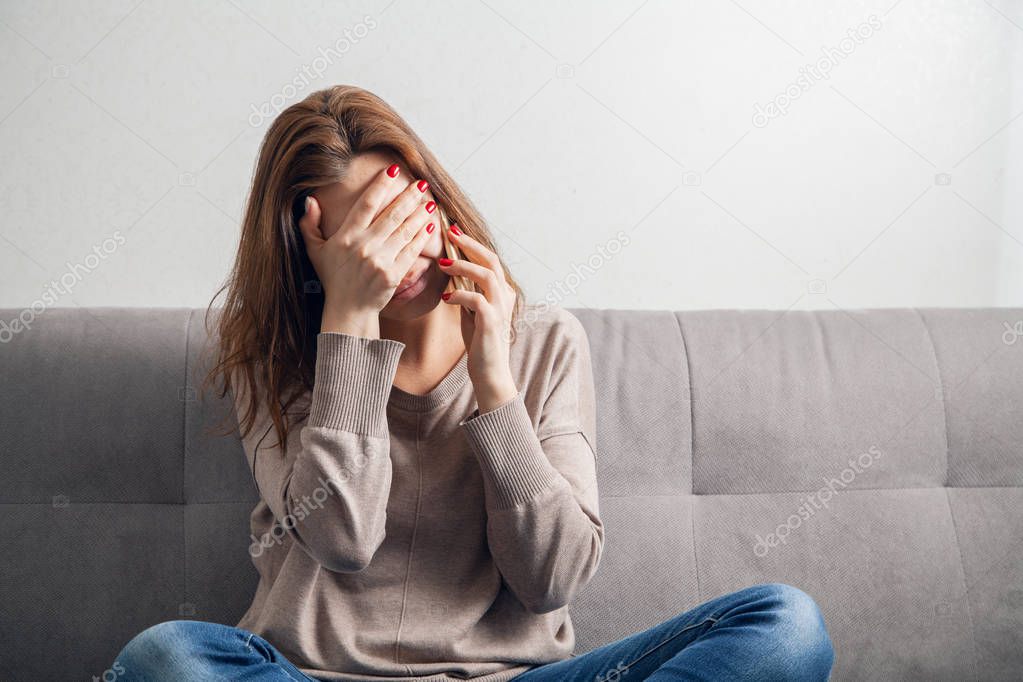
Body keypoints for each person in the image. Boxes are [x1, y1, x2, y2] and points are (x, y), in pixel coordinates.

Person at [111, 85, 834, 681]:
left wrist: (494, 383)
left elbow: (552, 578)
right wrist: (349, 323)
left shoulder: (545, 342)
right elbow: (344, 539)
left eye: (405, 210)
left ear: (434, 196)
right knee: (164, 657)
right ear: (313, 254)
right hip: (313, 675)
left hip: (512, 678)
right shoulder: (273, 360)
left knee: (783, 627)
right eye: (364, 235)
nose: (403, 251)